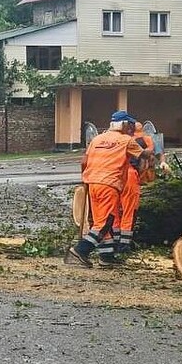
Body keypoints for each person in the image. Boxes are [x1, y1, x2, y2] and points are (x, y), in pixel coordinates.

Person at [66, 111, 148, 268]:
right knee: (105, 222)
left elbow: (84, 161)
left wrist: (85, 178)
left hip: (92, 184)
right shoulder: (126, 140)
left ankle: (106, 256)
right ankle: (79, 251)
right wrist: (155, 154)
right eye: (130, 125)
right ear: (124, 124)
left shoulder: (97, 139)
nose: (131, 129)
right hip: (108, 184)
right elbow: (142, 155)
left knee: (100, 221)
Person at [116, 120, 165, 255]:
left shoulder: (120, 139)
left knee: (115, 210)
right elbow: (150, 157)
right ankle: (124, 245)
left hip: (115, 176)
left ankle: (113, 243)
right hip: (131, 176)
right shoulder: (144, 141)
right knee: (129, 211)